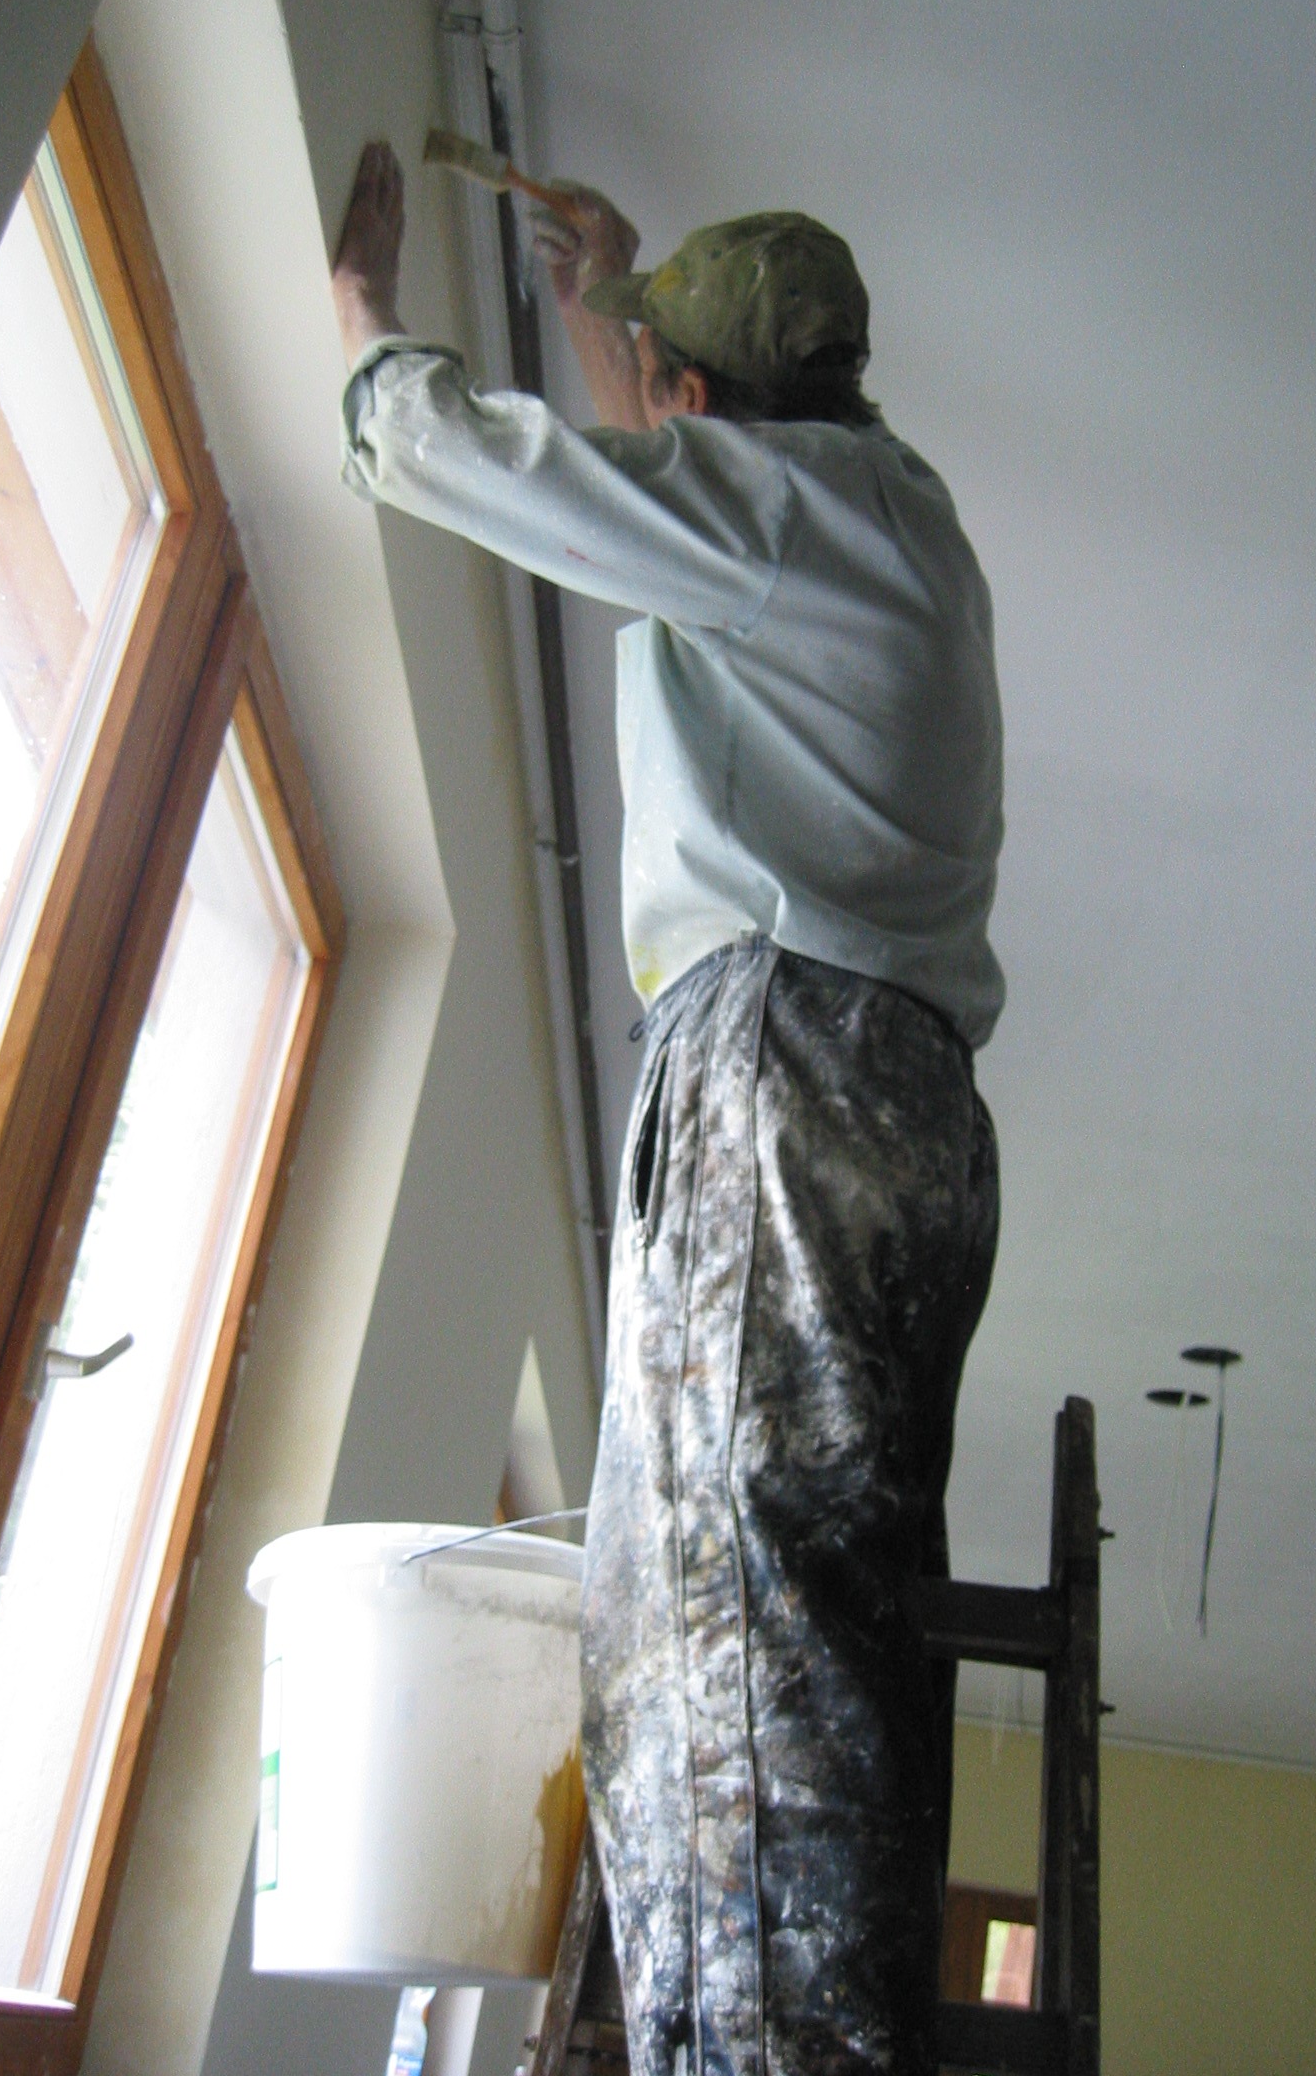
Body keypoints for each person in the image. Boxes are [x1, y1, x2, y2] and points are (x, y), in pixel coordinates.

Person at [332, 141, 1005, 2076]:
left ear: (704, 402)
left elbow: (485, 465)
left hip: (780, 1075)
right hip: (905, 1113)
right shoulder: (901, 513)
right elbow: (693, 477)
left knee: (715, 1637)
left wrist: (364, 325)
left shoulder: (773, 516)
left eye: (664, 391)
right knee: (819, 1643)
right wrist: (607, 298)